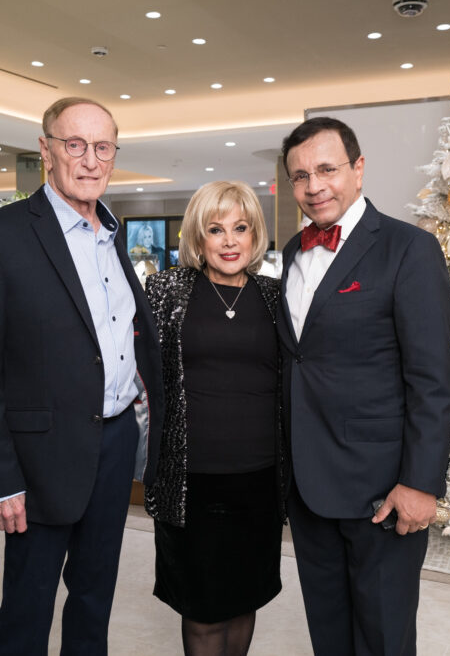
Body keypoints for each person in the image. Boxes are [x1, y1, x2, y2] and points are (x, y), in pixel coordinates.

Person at [0, 96, 164, 656]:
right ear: (46, 151)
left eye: (102, 147)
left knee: (94, 599)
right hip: (40, 457)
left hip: (115, 442)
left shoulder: (113, 235)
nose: (90, 160)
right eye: (75, 145)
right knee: (27, 608)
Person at [278, 117, 450, 655]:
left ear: (358, 170)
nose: (315, 186)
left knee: (383, 636)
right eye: (301, 175)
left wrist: (421, 483)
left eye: (327, 169)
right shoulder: (292, 251)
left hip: (383, 489)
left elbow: (433, 379)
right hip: (309, 486)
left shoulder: (410, 250)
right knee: (328, 632)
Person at [144, 181, 285, 656]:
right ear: (197, 237)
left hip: (261, 479)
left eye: (240, 228)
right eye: (216, 229)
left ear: (254, 235)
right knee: (202, 610)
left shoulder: (275, 296)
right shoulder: (167, 289)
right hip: (191, 480)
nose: (229, 241)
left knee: (244, 602)